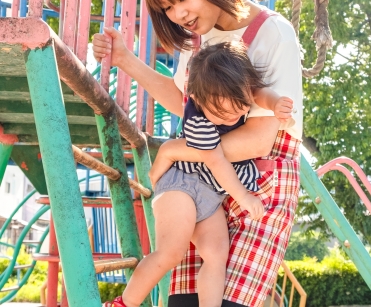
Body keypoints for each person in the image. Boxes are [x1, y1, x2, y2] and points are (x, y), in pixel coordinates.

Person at [92, 0, 303, 307]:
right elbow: (184, 100)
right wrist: (126, 60)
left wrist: (177, 150)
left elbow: (258, 139)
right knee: (185, 302)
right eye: (167, 8)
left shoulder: (271, 33)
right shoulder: (197, 40)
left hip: (258, 180)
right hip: (203, 182)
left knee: (230, 302)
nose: (179, 15)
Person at [104, 42, 295, 307]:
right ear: (197, 99)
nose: (233, 116)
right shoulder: (198, 121)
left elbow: (258, 94)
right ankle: (123, 303)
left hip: (211, 195)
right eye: (221, 113)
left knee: (217, 254)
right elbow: (217, 162)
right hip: (181, 184)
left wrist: (276, 104)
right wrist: (244, 197)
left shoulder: (235, 92)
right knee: (172, 251)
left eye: (238, 109)